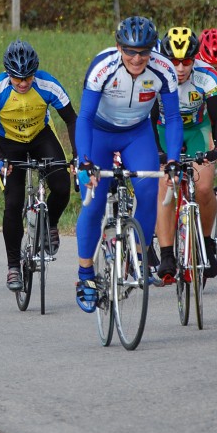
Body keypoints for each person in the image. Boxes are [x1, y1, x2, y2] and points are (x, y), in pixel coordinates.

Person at [74, 16, 183, 313]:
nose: (138, 58)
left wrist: (172, 159)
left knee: (150, 192)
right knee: (95, 200)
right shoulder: (102, 67)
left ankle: (136, 260)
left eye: (144, 51)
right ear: (119, 46)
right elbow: (83, 117)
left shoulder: (163, 69)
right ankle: (85, 275)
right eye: (131, 51)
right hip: (99, 133)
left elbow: (172, 118)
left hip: (137, 134)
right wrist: (84, 162)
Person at [0, 39, 78, 291]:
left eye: (28, 78)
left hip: (41, 137)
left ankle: (50, 223)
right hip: (8, 143)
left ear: (35, 73)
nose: (23, 84)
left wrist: (77, 156)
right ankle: (13, 266)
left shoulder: (48, 85)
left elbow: (71, 120)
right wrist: (0, 157)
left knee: (62, 185)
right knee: (13, 203)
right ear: (7, 74)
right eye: (17, 78)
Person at [153, 27, 217, 282]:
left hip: (197, 130)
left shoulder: (207, 76)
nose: (180, 68)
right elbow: (149, 119)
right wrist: (159, 152)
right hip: (162, 129)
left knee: (204, 186)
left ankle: (206, 243)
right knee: (165, 185)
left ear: (195, 59)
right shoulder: (154, 76)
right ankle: (167, 254)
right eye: (174, 61)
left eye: (186, 61)